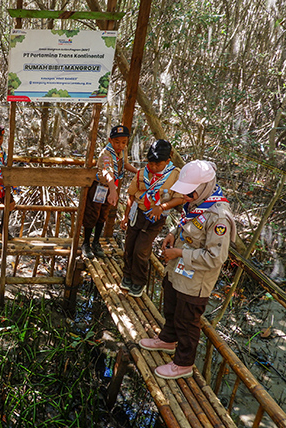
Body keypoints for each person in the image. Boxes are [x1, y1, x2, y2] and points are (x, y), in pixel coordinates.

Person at [139, 160, 235, 380]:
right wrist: (173, 233)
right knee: (171, 306)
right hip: (178, 272)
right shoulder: (197, 202)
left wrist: (181, 253)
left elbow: (215, 258)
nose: (186, 197)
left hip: (196, 279)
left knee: (187, 320)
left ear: (202, 187)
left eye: (189, 193)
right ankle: (167, 339)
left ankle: (183, 363)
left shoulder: (218, 215)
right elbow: (187, 221)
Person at [119, 140, 184, 297]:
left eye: (158, 165)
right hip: (138, 213)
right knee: (129, 245)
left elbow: (180, 198)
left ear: (168, 160)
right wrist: (125, 216)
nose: (153, 168)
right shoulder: (142, 172)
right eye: (151, 164)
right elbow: (132, 194)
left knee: (141, 249)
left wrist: (161, 207)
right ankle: (127, 276)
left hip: (156, 216)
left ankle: (139, 282)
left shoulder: (175, 175)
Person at [82, 125, 137, 258]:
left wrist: (138, 172)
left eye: (123, 142)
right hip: (100, 187)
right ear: (110, 140)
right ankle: (85, 243)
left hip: (112, 188)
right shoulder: (106, 154)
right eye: (117, 142)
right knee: (92, 214)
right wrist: (113, 190)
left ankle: (96, 242)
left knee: (103, 214)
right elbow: (108, 171)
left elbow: (125, 164)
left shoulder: (122, 151)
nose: (120, 145)